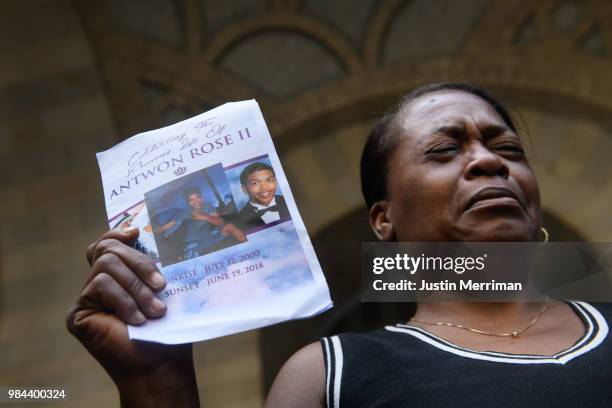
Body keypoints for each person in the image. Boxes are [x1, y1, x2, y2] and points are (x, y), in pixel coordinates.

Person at [66, 83, 612, 407]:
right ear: (383, 219)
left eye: (508, 148)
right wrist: (157, 390)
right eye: (445, 150)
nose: (490, 161)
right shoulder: (329, 376)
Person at [154, 187, 246, 262]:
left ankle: (249, 249)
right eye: (191, 200)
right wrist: (153, 232)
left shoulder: (208, 206)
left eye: (197, 198)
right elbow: (168, 225)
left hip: (209, 237)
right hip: (194, 244)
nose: (196, 201)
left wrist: (205, 217)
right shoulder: (185, 213)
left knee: (230, 227)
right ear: (188, 202)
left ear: (201, 197)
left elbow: (220, 222)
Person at [235, 162, 290, 232]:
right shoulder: (240, 219)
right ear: (244, 189)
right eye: (255, 183)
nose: (264, 187)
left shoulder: (289, 200)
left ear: (275, 182)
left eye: (269, 180)